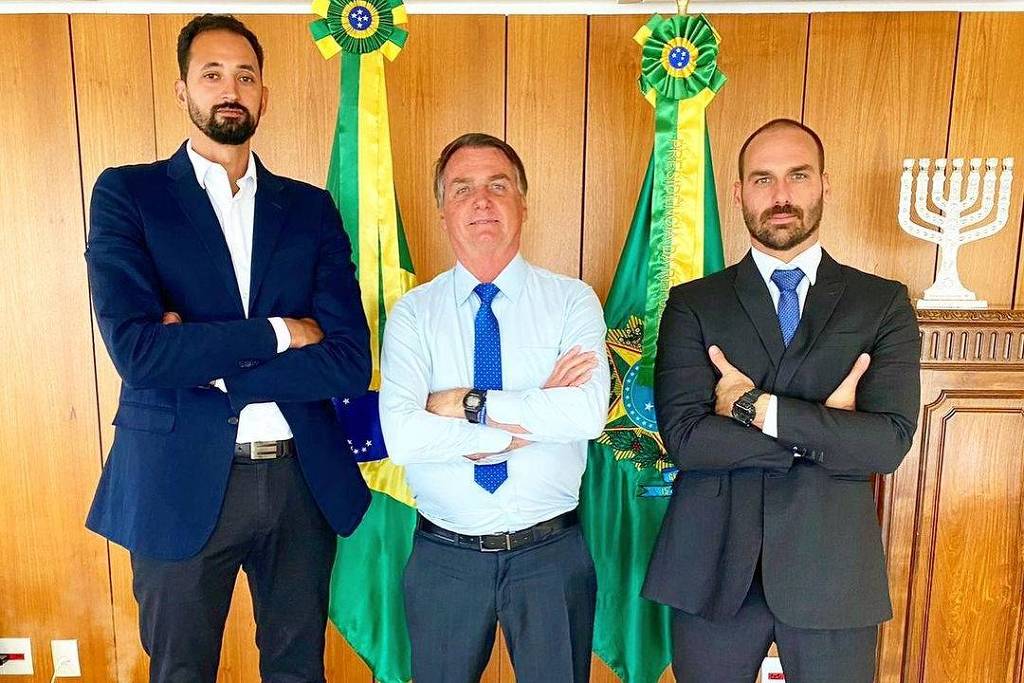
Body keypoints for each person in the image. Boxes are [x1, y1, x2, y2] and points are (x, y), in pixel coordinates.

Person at [84, 14, 371, 682]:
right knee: (181, 671)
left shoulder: (310, 210)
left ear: (265, 94)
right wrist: (280, 332)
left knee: (299, 670)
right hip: (175, 478)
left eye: (245, 75)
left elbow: (350, 360)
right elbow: (141, 354)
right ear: (183, 91)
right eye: (211, 74)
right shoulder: (129, 195)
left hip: (301, 481)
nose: (230, 88)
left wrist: (218, 369)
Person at [643, 118, 921, 682]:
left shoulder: (881, 303)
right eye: (763, 180)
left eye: (798, 176)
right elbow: (687, 440)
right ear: (739, 192)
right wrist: (823, 433)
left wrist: (755, 410)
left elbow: (886, 444)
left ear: (824, 184)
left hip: (833, 572)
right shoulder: (694, 304)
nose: (782, 196)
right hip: (713, 567)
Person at [378, 133, 611, 682]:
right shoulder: (413, 315)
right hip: (444, 560)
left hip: (551, 555)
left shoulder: (572, 300)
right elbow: (404, 438)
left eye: (497, 186)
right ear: (442, 211)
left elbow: (584, 416)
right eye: (463, 189)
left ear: (522, 204)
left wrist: (464, 404)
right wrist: (523, 425)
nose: (481, 202)